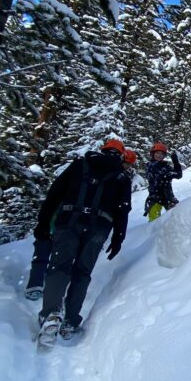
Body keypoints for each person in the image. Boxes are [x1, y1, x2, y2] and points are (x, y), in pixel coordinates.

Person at [33, 138, 132, 344]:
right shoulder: (122, 177)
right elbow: (122, 210)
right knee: (82, 272)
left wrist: (43, 224)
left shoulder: (80, 165)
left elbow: (54, 194)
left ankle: (50, 314)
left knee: (59, 267)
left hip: (69, 221)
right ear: (121, 155)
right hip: (99, 228)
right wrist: (118, 238)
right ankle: (70, 320)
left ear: (103, 150)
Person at [144, 141, 182, 221]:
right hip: (155, 197)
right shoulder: (149, 165)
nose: (159, 155)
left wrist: (176, 162)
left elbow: (178, 175)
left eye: (162, 154)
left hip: (168, 196)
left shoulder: (165, 166)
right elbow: (154, 177)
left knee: (176, 218)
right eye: (157, 153)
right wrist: (165, 176)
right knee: (154, 222)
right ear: (153, 154)